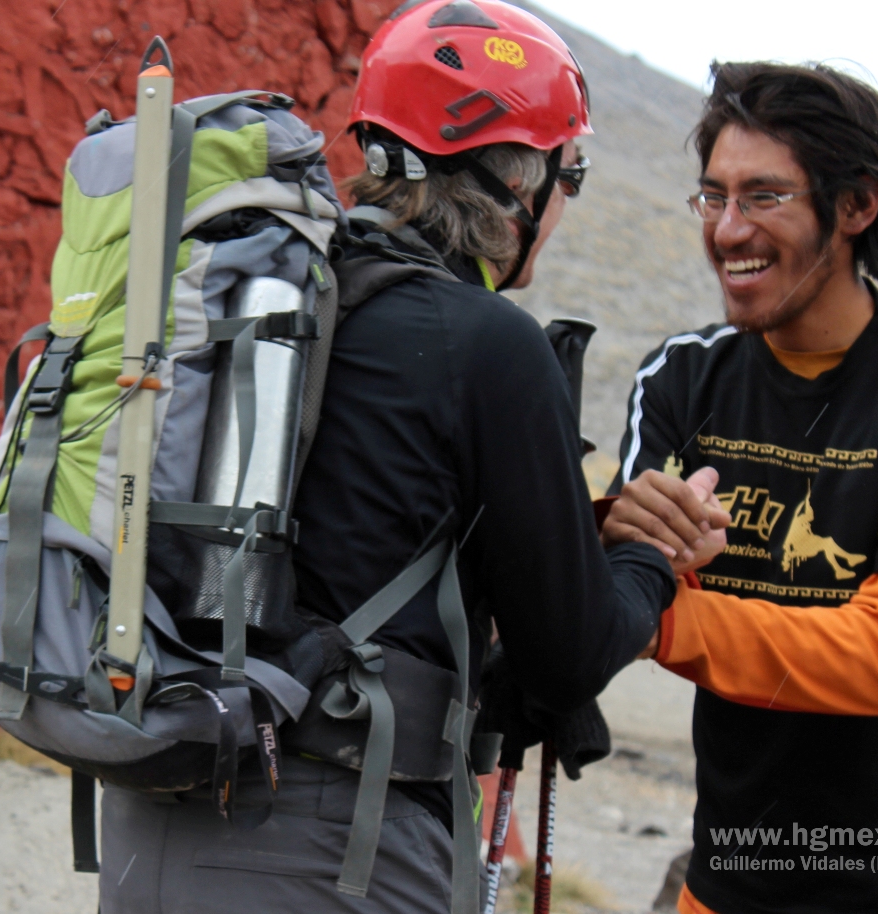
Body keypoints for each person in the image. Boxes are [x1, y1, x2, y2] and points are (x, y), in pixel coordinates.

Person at [96, 3, 677, 911]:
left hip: (154, 815)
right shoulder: (488, 344)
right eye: (575, 171)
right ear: (517, 175)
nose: (569, 199)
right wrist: (649, 561)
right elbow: (567, 654)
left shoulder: (270, 296)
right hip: (337, 840)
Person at [603, 62, 878, 914]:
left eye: (764, 197)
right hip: (733, 879)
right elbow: (622, 576)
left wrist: (656, 614)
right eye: (711, 196)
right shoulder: (678, 381)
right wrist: (606, 544)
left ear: (858, 206)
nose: (725, 229)